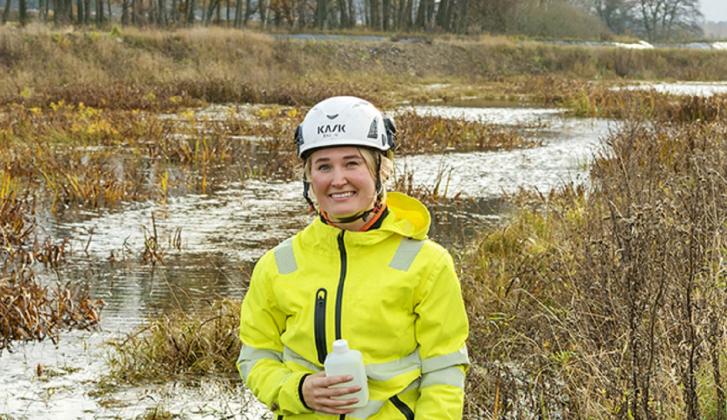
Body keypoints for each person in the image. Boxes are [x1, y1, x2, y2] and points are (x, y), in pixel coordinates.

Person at [237, 96, 469, 419]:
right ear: (309, 177)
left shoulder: (427, 263)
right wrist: (297, 389)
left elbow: (444, 373)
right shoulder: (277, 265)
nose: (337, 179)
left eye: (352, 163)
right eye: (323, 166)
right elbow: (255, 356)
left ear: (380, 169)